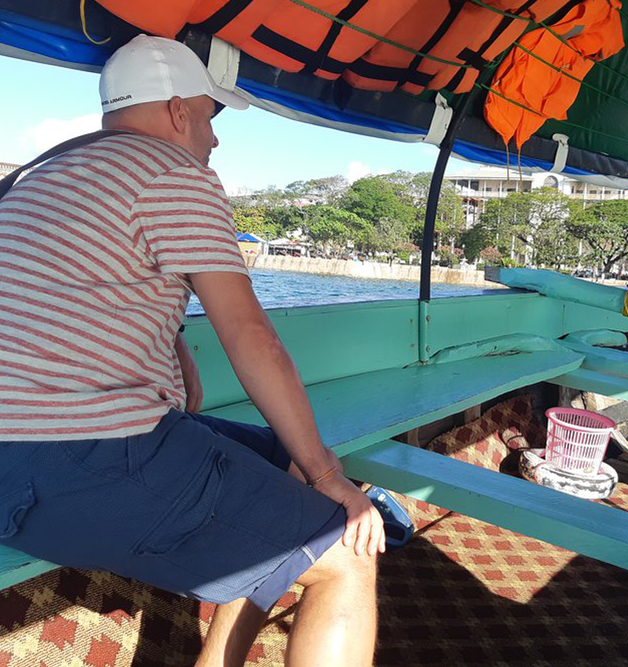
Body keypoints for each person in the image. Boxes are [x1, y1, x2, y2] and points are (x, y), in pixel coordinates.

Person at [0, 35, 383, 667]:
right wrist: (325, 474)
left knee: (275, 462)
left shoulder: (39, 177)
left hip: (26, 455)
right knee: (345, 551)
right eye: (208, 118)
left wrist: (173, 341)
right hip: (71, 458)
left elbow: (76, 282)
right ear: (178, 111)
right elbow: (250, 336)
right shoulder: (174, 174)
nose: (213, 140)